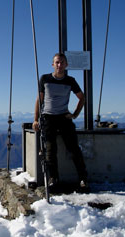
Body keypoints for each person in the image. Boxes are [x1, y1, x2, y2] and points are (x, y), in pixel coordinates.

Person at [32, 53, 88, 188]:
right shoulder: (44, 79)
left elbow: (82, 98)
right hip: (48, 117)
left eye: (62, 62)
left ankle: (83, 178)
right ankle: (53, 178)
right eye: (57, 62)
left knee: (74, 148)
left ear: (66, 65)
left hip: (64, 117)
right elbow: (39, 100)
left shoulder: (70, 81)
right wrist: (35, 120)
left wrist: (74, 114)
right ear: (53, 64)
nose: (59, 65)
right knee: (50, 149)